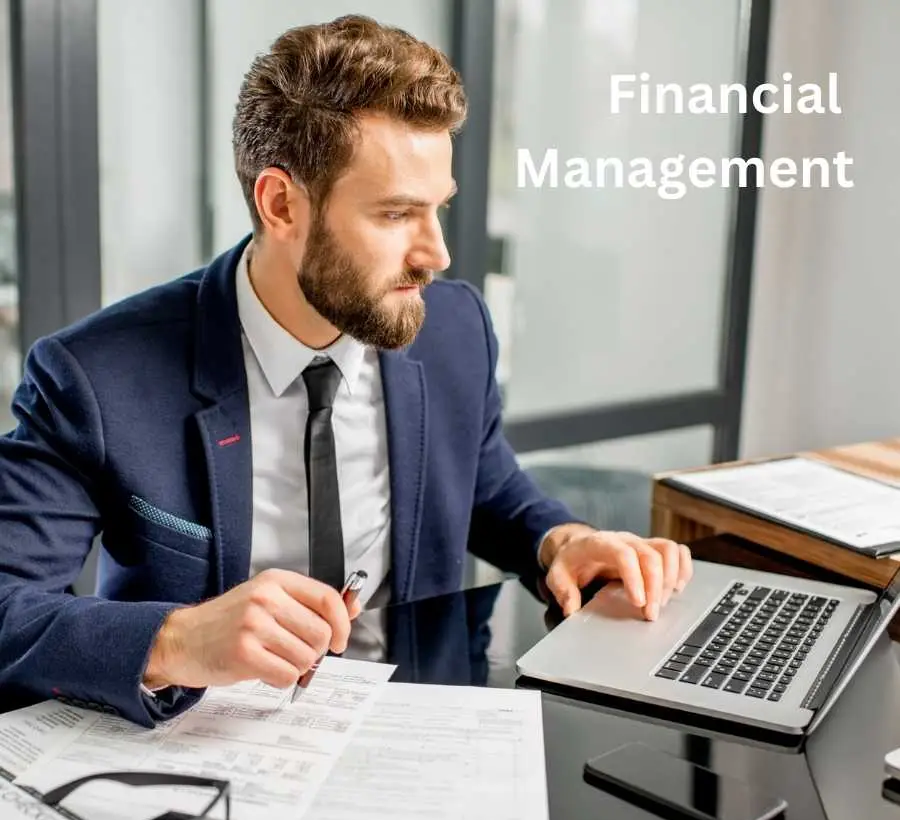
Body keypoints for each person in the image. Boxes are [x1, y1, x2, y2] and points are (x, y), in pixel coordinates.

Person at [0, 14, 692, 728]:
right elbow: (6, 609)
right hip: (203, 749)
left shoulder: (453, 329)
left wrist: (562, 540)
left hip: (418, 727)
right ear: (281, 204)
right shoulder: (95, 376)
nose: (437, 255)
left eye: (438, 210)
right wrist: (179, 639)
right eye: (396, 215)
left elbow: (484, 481)